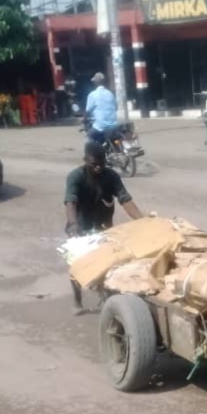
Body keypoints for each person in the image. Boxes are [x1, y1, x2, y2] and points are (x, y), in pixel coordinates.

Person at [64, 141, 145, 314]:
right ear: (85, 160)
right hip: (80, 226)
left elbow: (125, 199)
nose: (99, 167)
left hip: (104, 225)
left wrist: (142, 220)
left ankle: (107, 297)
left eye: (102, 162)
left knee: (109, 263)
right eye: (94, 163)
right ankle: (77, 301)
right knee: (76, 263)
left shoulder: (111, 176)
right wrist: (73, 224)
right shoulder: (75, 177)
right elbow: (70, 201)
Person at [85, 72, 117, 143]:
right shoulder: (110, 94)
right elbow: (115, 107)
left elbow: (88, 111)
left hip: (100, 127)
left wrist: (83, 120)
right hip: (113, 126)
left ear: (95, 83)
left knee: (89, 136)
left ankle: (90, 153)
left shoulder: (93, 95)